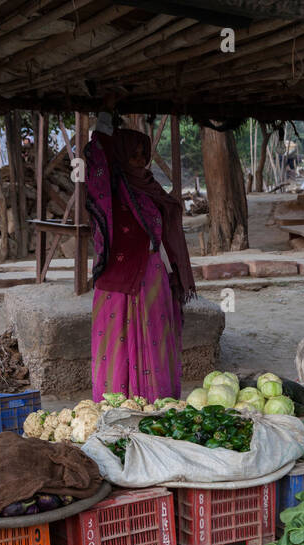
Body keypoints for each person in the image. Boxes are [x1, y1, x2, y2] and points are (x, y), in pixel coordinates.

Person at [84, 124, 196, 403]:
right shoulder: (110, 188)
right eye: (132, 155)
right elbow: (97, 156)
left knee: (154, 340)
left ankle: (155, 402)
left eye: (142, 155)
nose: (138, 161)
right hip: (118, 280)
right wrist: (105, 119)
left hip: (152, 275)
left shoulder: (150, 188)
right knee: (117, 344)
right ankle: (116, 405)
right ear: (120, 157)